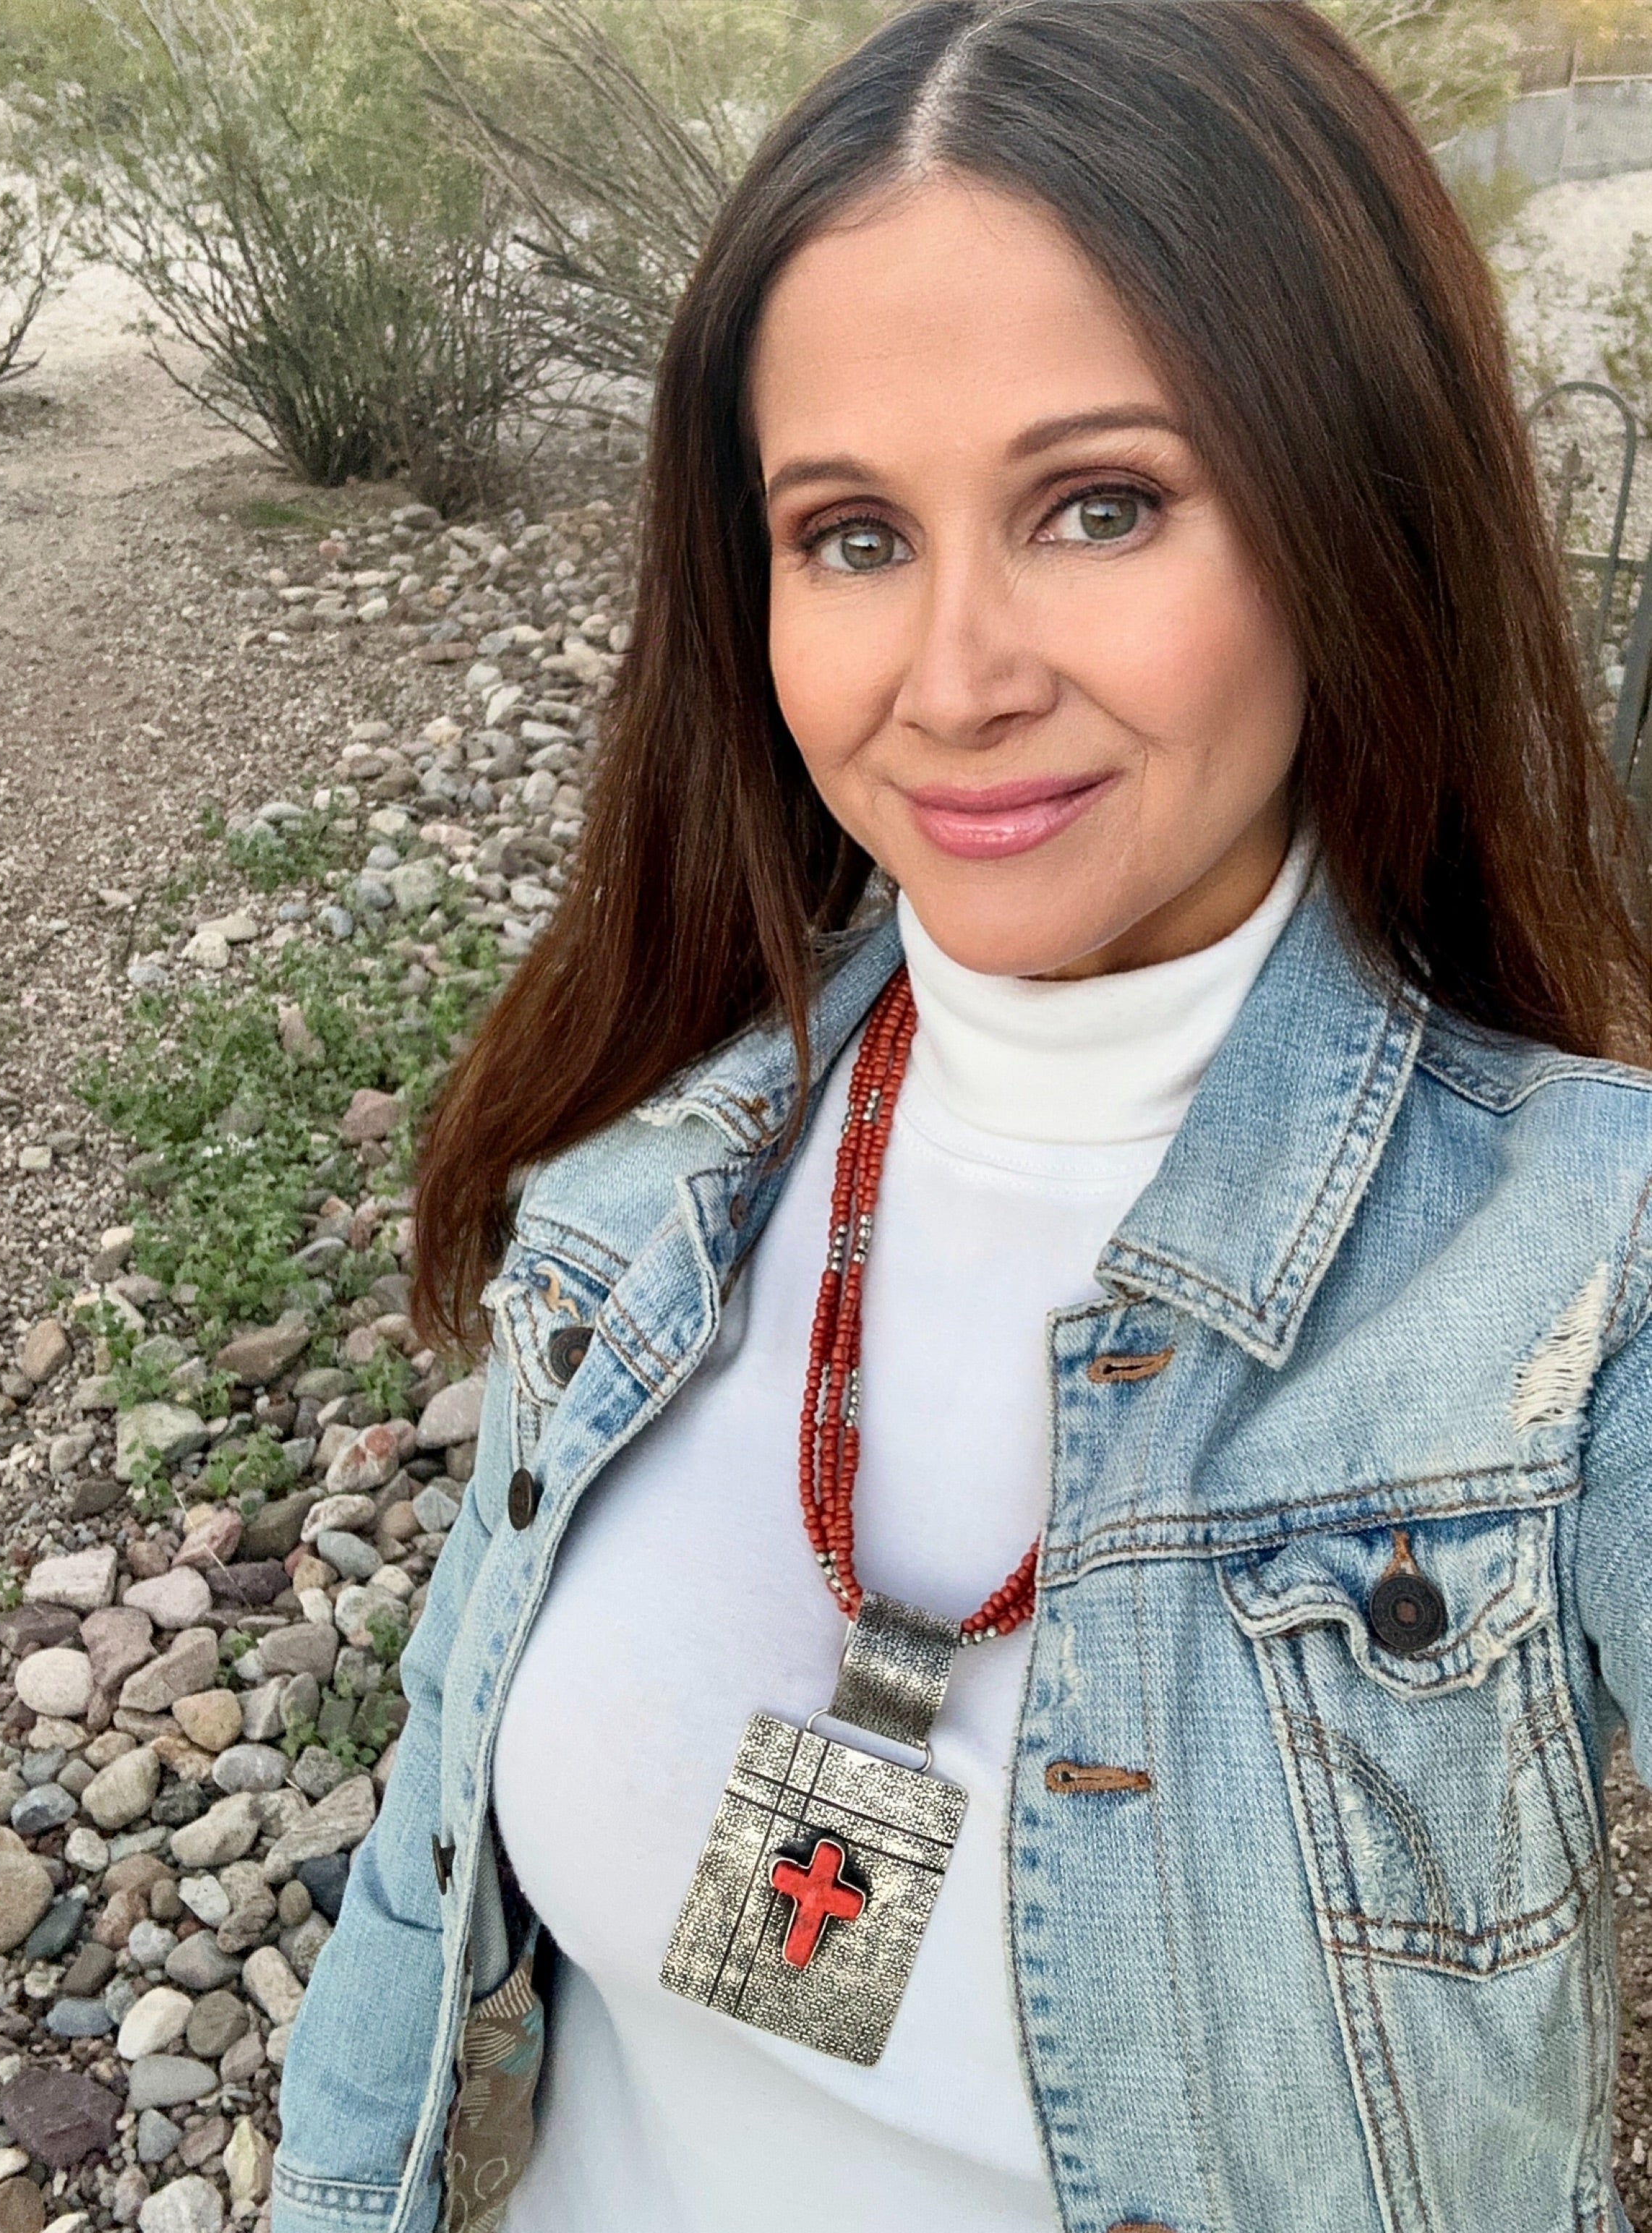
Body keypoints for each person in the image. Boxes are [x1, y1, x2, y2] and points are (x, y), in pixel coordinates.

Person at [270, 4, 1652, 2229]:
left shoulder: (1577, 1277)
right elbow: (424, 1906)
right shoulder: (653, 1159)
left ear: (1350, 505)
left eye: (1097, 504)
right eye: (847, 536)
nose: (952, 676)